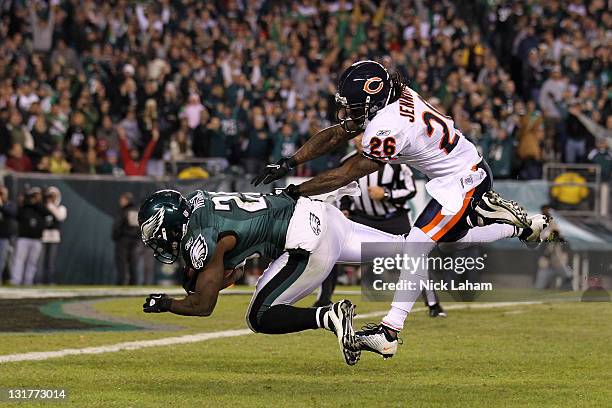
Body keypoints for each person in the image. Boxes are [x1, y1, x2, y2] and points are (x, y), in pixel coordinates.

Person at [253, 60, 550, 358]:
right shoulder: (396, 95)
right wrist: (290, 162)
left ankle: (389, 332)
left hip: (464, 179)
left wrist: (296, 190)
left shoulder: (387, 126)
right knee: (449, 240)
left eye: (354, 106)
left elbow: (347, 173)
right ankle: (520, 226)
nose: (349, 112)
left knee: (418, 243)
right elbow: (336, 134)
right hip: (460, 173)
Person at [138, 188, 422, 365]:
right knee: (410, 246)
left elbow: (203, 306)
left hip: (306, 242)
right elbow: (233, 271)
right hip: (322, 215)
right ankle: (462, 234)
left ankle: (328, 316)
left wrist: (165, 304)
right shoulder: (202, 202)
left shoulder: (200, 240)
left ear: (170, 225)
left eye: (154, 233)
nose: (155, 241)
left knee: (259, 316)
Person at [11, 187, 50, 285]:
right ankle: (16, 280)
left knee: (32, 262)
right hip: (23, 238)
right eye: (33, 195)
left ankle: (28, 281)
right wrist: (23, 201)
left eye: (37, 195)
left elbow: (47, 213)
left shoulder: (41, 208)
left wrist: (38, 202)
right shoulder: (25, 207)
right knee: (19, 260)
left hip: (36, 239)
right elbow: (17, 214)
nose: (35, 198)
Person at [39, 186, 67, 284]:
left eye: (54, 196)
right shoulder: (43, 206)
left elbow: (60, 217)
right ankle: (39, 281)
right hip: (43, 236)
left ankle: (49, 281)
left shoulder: (61, 208)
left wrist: (51, 206)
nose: (52, 198)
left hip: (54, 237)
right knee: (40, 261)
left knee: (50, 262)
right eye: (50, 196)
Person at [112, 193, 141, 285]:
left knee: (122, 263)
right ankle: (133, 282)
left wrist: (116, 236)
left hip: (123, 240)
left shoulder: (123, 211)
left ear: (126, 200)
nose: (120, 202)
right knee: (133, 262)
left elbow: (117, 226)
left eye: (122, 200)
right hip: (135, 241)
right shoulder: (137, 211)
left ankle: (121, 282)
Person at [0, 186, 17, 282]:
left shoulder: (10, 204)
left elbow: (11, 213)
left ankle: (5, 279)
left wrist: (1, 205)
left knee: (3, 260)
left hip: (4, 236)